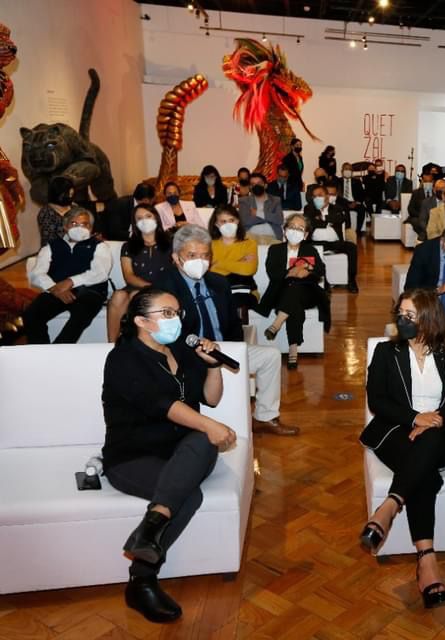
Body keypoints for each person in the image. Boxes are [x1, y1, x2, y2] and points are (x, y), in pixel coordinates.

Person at [102, 288, 236, 623]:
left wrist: (213, 366)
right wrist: (210, 425)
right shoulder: (123, 359)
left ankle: (150, 529)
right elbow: (162, 405)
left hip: (182, 452)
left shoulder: (181, 350)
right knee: (189, 495)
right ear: (141, 321)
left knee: (202, 439)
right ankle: (142, 580)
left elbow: (211, 399)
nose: (176, 320)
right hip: (133, 456)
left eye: (177, 313)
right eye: (166, 313)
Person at [360, 289, 445, 609]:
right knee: (425, 475)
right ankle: (427, 561)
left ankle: (389, 506)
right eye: (401, 314)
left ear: (428, 318)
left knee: (429, 442)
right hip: (395, 432)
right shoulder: (386, 351)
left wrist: (434, 420)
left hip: (439, 432)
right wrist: (413, 418)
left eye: (410, 315)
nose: (402, 320)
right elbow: (377, 400)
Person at [154, 225, 299, 436]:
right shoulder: (164, 287)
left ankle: (265, 417)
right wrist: (201, 350)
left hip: (223, 348)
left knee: (271, 356)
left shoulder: (219, 283)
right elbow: (168, 335)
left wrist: (233, 349)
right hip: (189, 353)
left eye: (205, 255)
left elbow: (233, 324)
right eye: (192, 255)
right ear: (176, 258)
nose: (200, 261)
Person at [24, 209, 112, 343]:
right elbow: (36, 273)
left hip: (89, 292)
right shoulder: (51, 247)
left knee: (80, 316)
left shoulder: (99, 246)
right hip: (56, 290)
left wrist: (70, 281)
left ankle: (59, 350)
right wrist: (54, 288)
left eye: (84, 224)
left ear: (91, 228)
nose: (79, 228)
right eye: (74, 223)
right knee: (32, 314)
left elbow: (100, 273)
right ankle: (41, 351)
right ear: (65, 226)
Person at [256, 214, 330, 369]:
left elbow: (320, 270)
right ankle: (293, 349)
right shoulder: (275, 249)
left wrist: (307, 269)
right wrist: (293, 271)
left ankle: (276, 325)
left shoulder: (310, 249)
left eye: (300, 228)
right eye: (292, 227)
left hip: (308, 293)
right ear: (285, 230)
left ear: (306, 234)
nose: (295, 231)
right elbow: (273, 273)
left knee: (295, 288)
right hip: (281, 292)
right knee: (293, 296)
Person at [107, 204, 172, 342]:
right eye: (139, 218)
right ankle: (112, 344)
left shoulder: (170, 243)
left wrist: (156, 288)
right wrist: (149, 287)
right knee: (118, 295)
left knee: (135, 296)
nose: (145, 220)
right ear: (135, 223)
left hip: (163, 287)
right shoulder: (128, 246)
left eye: (148, 216)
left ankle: (135, 341)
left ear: (156, 218)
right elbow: (128, 275)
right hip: (136, 285)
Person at [303, 184, 359, 293]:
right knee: (308, 249)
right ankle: (324, 282)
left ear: (327, 196)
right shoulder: (309, 208)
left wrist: (322, 218)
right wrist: (328, 222)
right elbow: (311, 222)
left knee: (352, 247)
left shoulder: (337, 208)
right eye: (314, 196)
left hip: (335, 242)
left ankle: (352, 280)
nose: (317, 198)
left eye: (320, 195)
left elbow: (341, 218)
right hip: (316, 242)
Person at [209, 204, 259, 321]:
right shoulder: (210, 245)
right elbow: (209, 271)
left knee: (235, 300)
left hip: (245, 291)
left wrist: (218, 263)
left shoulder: (249, 243)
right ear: (216, 224)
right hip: (219, 291)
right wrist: (239, 262)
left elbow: (249, 269)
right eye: (223, 221)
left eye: (231, 220)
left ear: (237, 221)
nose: (228, 224)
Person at [37, 176, 90, 247]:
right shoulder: (46, 213)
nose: (70, 198)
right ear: (58, 195)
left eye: (71, 195)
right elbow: (49, 240)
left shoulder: (74, 207)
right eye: (68, 195)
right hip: (57, 249)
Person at [238, 173, 284, 240]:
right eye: (253, 184)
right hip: (251, 238)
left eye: (259, 183)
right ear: (250, 187)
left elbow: (279, 219)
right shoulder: (244, 201)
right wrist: (269, 217)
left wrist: (258, 213)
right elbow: (245, 221)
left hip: (272, 237)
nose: (256, 186)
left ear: (265, 185)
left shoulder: (275, 200)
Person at [338, 162, 367, 234]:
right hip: (343, 202)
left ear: (352, 171)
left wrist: (356, 202)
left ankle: (358, 231)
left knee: (362, 209)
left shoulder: (357, 181)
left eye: (349, 169)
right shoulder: (338, 181)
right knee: (344, 208)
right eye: (346, 169)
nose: (348, 171)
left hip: (354, 202)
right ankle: (348, 231)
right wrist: (346, 203)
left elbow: (362, 194)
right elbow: (337, 195)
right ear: (342, 171)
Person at [406, 171, 435, 240]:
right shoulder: (416, 193)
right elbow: (410, 209)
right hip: (418, 216)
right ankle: (425, 234)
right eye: (425, 181)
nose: (427, 183)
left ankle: (423, 235)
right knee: (416, 221)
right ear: (422, 182)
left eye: (429, 181)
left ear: (433, 182)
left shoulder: (436, 193)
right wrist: (422, 215)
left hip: (433, 216)